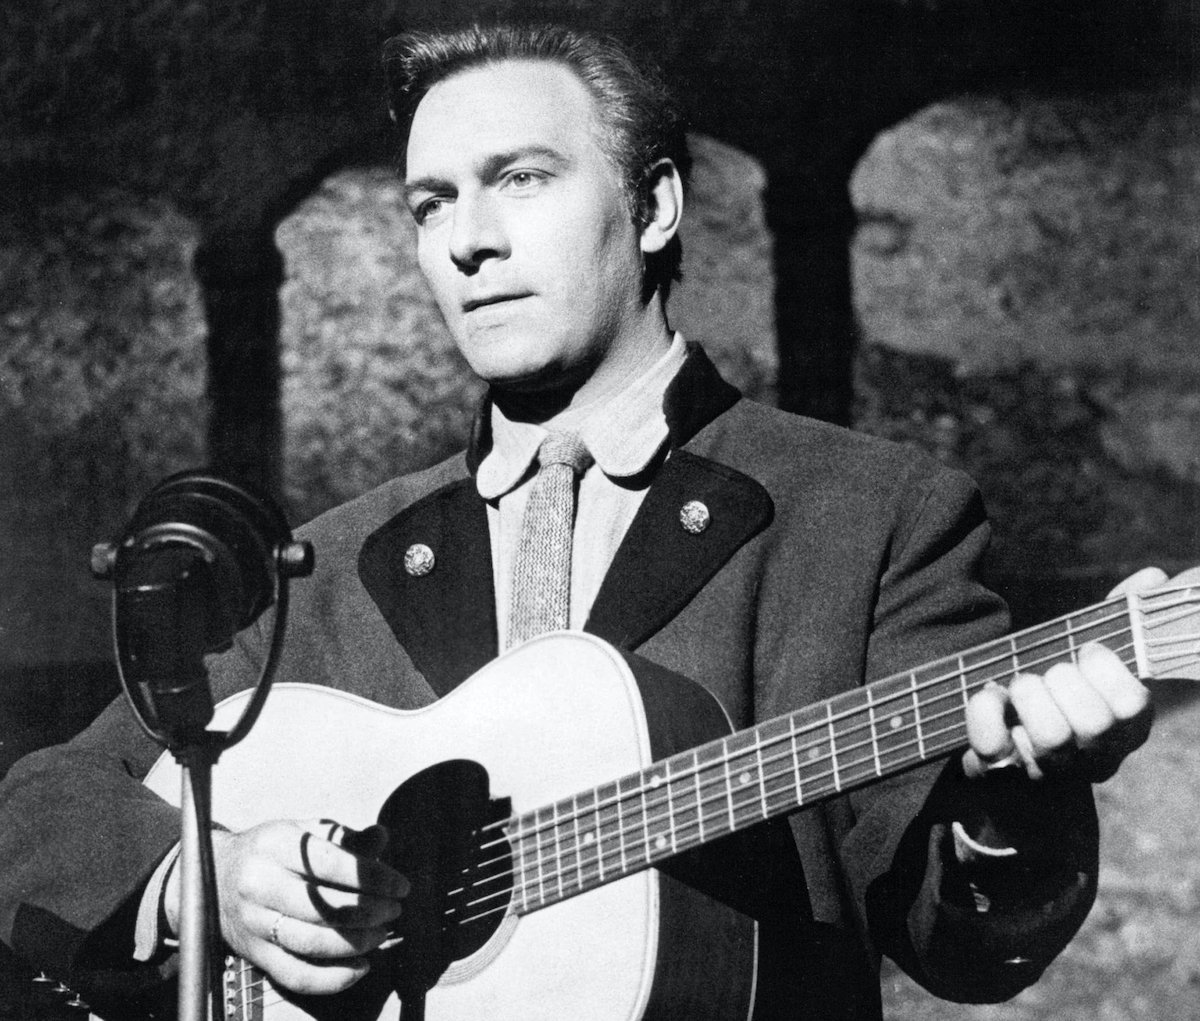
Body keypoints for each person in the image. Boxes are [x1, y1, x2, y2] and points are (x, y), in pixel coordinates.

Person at [0, 21, 1157, 1021]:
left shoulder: (872, 512)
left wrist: (1014, 798)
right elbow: (41, 806)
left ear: (654, 206)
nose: (466, 241)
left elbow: (959, 943)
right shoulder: (340, 558)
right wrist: (209, 877)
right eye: (431, 202)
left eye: (522, 178)